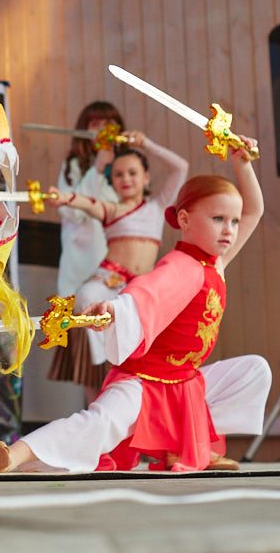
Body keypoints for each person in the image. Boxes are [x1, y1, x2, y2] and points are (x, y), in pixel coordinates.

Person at [0, 135, 268, 473]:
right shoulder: (182, 265)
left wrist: (243, 163)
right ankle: (11, 455)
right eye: (218, 219)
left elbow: (254, 210)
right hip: (144, 382)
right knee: (97, 424)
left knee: (254, 372)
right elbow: (147, 291)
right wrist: (116, 309)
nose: (229, 230)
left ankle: (186, 445)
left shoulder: (215, 263)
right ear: (184, 220)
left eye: (233, 221)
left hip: (185, 383)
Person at [49, 129, 189, 402]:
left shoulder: (158, 206)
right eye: (119, 174)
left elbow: (180, 167)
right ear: (111, 180)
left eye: (133, 173)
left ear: (146, 177)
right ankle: (108, 369)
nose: (126, 179)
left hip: (142, 288)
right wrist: (64, 198)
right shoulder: (111, 209)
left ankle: (128, 374)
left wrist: (147, 142)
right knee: (86, 298)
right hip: (109, 281)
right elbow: (85, 203)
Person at [47, 101, 123, 399]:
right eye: (96, 125)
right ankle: (96, 437)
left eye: (110, 125)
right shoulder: (73, 167)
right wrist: (98, 168)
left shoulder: (126, 168)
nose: (103, 131)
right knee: (91, 370)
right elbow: (74, 212)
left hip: (118, 274)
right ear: (84, 130)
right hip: (81, 277)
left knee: (119, 361)